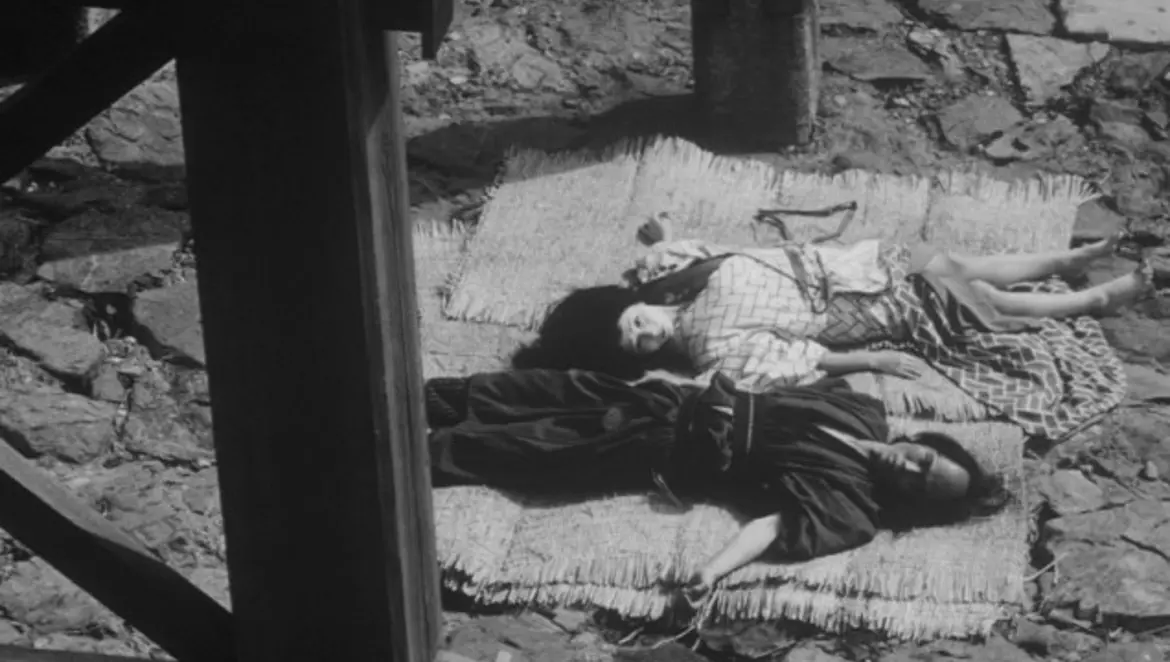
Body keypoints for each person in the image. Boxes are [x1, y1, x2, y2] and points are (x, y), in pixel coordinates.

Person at [512, 217, 1140, 439]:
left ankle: (1064, 262)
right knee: (981, 303)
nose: (647, 333)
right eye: (636, 345)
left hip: (851, 266)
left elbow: (694, 248)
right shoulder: (712, 348)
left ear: (628, 300)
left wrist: (665, 233)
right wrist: (869, 361)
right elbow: (799, 359)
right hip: (867, 311)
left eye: (634, 321)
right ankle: (1091, 301)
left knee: (951, 263)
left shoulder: (668, 274)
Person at [425, 367, 1011, 595]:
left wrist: (712, 570)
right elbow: (785, 381)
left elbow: (771, 526)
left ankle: (413, 451)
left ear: (907, 503)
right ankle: (425, 398)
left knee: (537, 445)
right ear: (924, 443)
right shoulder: (861, 412)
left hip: (662, 449)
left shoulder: (850, 504)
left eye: (916, 485)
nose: (907, 469)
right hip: (670, 399)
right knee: (546, 389)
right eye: (923, 461)